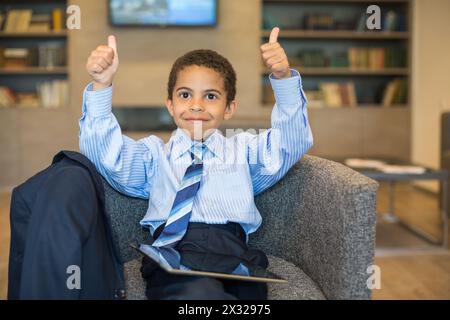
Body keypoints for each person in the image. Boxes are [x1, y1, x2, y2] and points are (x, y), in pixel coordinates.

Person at [80, 27, 313, 300]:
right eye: (185, 95)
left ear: (230, 108)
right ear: (169, 104)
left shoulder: (243, 150)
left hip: (235, 253)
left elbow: (292, 142)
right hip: (175, 250)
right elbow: (104, 152)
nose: (197, 105)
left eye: (211, 96)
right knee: (198, 296)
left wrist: (283, 79)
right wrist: (101, 85)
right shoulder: (155, 156)